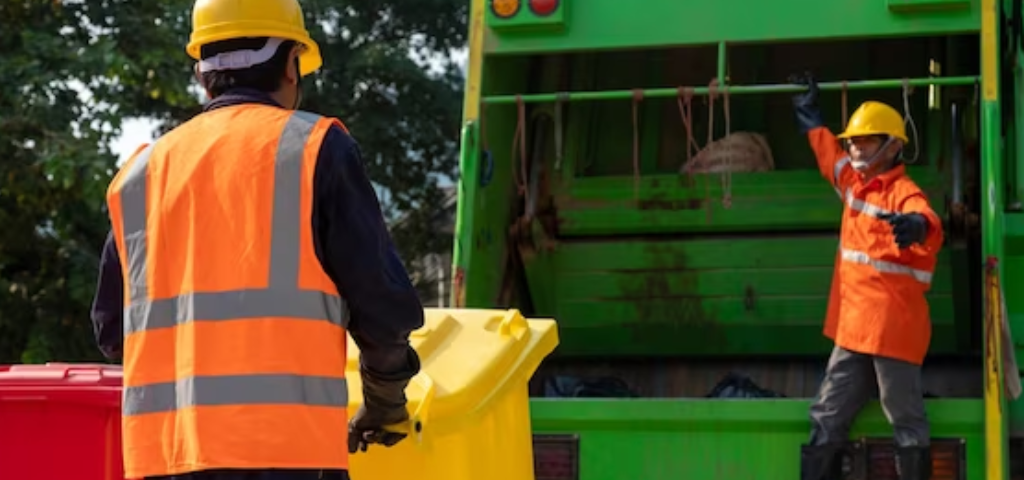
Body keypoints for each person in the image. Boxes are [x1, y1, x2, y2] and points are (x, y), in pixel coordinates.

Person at [88, 1, 425, 479]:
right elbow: (384, 311)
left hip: (163, 458)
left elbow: (112, 331)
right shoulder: (314, 148)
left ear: (202, 72)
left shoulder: (140, 174)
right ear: (291, 64)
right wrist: (384, 401)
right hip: (290, 455)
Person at [789, 72, 944, 480]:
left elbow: (926, 217)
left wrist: (918, 225)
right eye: (853, 140)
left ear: (893, 146)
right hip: (854, 330)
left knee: (905, 420)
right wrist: (809, 113)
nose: (855, 147)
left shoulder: (902, 191)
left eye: (866, 140)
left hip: (893, 330)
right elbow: (829, 156)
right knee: (826, 416)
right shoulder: (854, 185)